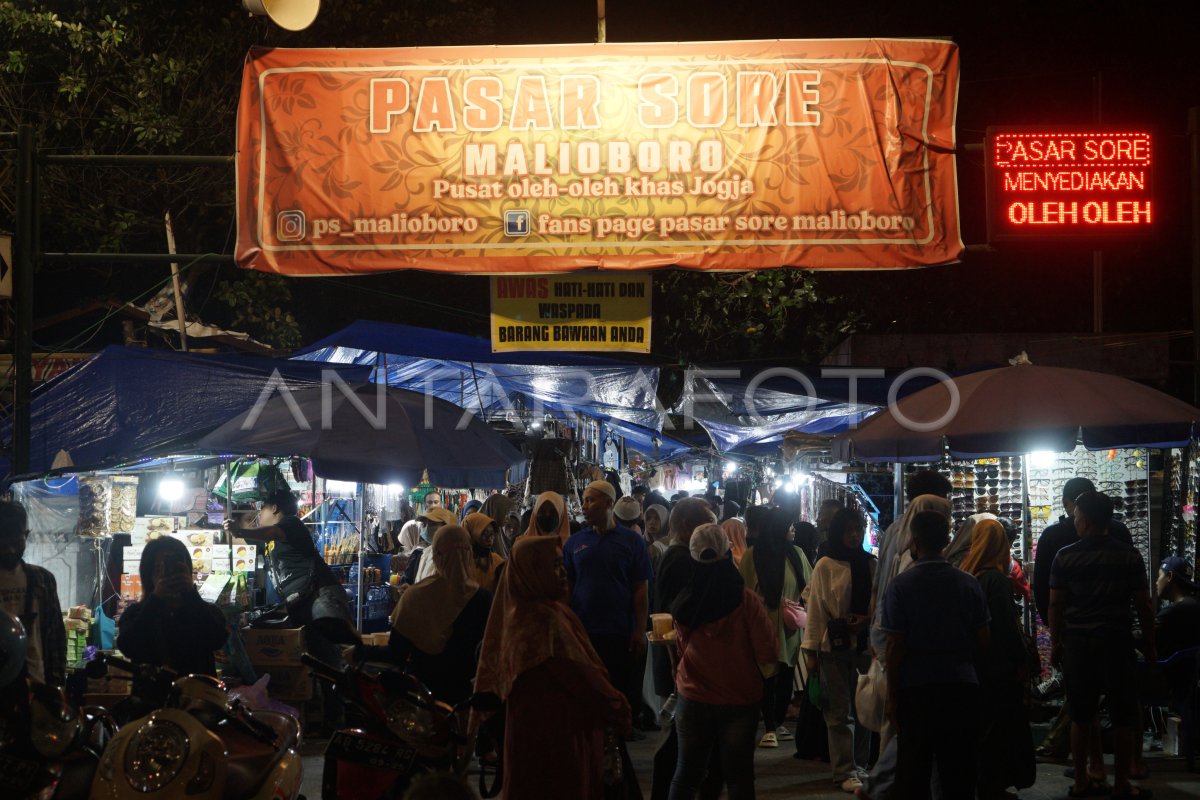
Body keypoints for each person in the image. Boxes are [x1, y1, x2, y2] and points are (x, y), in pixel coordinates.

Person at [474, 535, 630, 800]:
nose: (563, 572)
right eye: (555, 565)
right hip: (557, 737)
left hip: (533, 732)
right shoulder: (542, 622)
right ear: (533, 571)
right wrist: (617, 706)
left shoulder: (527, 613)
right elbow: (581, 676)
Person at [1049, 491, 1155, 800]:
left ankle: (1082, 780)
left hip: (1080, 644)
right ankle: (1121, 783)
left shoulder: (1065, 556)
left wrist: (1056, 642)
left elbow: (1056, 605)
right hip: (1117, 641)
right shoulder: (1129, 556)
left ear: (1086, 519)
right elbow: (1143, 606)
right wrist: (1150, 645)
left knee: (1081, 714)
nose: (1075, 520)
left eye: (1077, 515)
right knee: (1123, 714)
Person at [880, 509, 989, 800]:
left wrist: (892, 695)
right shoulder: (968, 583)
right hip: (961, 686)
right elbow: (983, 640)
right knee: (959, 771)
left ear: (914, 541)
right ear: (946, 540)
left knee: (914, 770)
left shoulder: (901, 586)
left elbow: (895, 646)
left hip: (916, 688)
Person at [668, 524, 778, 800]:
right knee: (739, 778)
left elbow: (681, 648)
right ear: (727, 554)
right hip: (739, 700)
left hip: (692, 696)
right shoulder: (746, 602)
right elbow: (768, 651)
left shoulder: (684, 602)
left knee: (686, 775)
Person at [226, 489, 353, 727]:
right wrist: (234, 530)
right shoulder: (272, 540)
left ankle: (340, 719)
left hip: (320, 594)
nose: (258, 515)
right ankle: (326, 717)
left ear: (274, 508)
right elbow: (251, 538)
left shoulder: (291, 524)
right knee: (316, 659)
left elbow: (269, 531)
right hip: (302, 601)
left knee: (328, 657)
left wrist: (240, 529)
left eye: (261, 508)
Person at [564, 480, 653, 728]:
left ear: (609, 503)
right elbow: (568, 586)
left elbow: (639, 588)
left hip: (618, 631)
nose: (584, 506)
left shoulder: (632, 542)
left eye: (590, 500)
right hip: (583, 631)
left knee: (616, 693)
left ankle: (616, 751)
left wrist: (638, 630)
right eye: (583, 500)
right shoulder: (574, 542)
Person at [959, 519, 1035, 800]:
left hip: (975, 664)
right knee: (997, 726)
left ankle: (983, 783)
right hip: (997, 666)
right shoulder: (995, 579)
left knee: (982, 726)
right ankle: (993, 785)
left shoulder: (968, 575)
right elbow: (1004, 627)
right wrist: (1021, 660)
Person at [801, 508, 874, 793]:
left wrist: (866, 621)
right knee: (839, 713)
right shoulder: (826, 565)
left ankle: (861, 765)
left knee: (865, 709)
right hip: (833, 647)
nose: (854, 535)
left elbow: (877, 605)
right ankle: (844, 769)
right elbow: (817, 609)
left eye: (858, 529)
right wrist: (810, 653)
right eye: (848, 530)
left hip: (864, 646)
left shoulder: (870, 564)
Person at [387, 525, 491, 705]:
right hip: (465, 701)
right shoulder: (484, 599)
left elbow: (396, 653)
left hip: (421, 700)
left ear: (435, 556)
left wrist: (360, 652)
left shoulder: (416, 596)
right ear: (469, 556)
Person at [740, 507, 812, 750]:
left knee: (786, 673)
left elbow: (808, 586)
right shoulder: (753, 555)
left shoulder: (797, 553)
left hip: (790, 624)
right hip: (764, 622)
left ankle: (777, 722)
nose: (792, 530)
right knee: (767, 675)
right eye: (789, 525)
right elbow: (746, 590)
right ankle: (769, 726)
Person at [117, 537, 228, 677]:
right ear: (149, 574)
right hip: (151, 695)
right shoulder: (135, 613)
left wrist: (191, 596)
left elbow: (217, 640)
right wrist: (155, 601)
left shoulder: (206, 610)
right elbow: (128, 647)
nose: (169, 574)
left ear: (187, 569)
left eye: (176, 568)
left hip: (197, 695)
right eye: (159, 569)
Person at [1034, 477, 1132, 627]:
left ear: (1065, 502)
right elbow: (1135, 587)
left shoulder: (1052, 537)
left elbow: (1042, 587)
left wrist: (1053, 628)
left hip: (1073, 629)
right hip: (1116, 625)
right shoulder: (1119, 531)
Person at [0, 500, 66, 687]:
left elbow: (56, 638)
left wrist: (58, 686)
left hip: (38, 687)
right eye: (2, 540)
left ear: (26, 535)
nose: (10, 550)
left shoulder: (43, 580)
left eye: (16, 540)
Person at [401, 506, 459, 585]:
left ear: (447, 527)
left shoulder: (455, 556)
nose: (427, 528)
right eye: (424, 524)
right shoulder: (423, 553)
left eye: (433, 524)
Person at [463, 512, 505, 593]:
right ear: (470, 535)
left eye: (492, 534)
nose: (490, 540)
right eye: (484, 534)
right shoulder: (460, 565)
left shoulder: (497, 562)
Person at [480, 493, 520, 559]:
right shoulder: (483, 533)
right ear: (496, 511)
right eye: (505, 513)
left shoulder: (496, 531)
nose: (508, 518)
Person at [644, 504, 671, 573]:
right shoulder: (641, 540)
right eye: (648, 518)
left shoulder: (670, 544)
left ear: (665, 520)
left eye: (657, 518)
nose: (652, 522)